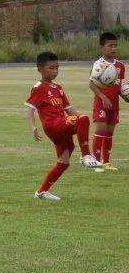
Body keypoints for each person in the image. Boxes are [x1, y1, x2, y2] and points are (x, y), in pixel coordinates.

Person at [27, 51, 101, 201]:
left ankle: (41, 192)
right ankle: (86, 155)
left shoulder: (58, 88)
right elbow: (30, 109)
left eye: (57, 68)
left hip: (61, 125)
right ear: (40, 69)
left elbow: (69, 108)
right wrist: (33, 127)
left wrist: (81, 120)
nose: (55, 71)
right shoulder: (39, 87)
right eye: (51, 68)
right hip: (53, 125)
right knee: (83, 119)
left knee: (63, 162)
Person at [89, 32, 125, 171]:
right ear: (102, 47)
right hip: (101, 103)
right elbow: (91, 84)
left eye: (115, 46)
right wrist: (103, 97)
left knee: (109, 132)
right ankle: (96, 162)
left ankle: (106, 162)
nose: (113, 48)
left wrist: (125, 96)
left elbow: (119, 86)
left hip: (114, 104)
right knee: (101, 130)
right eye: (110, 46)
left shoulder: (120, 66)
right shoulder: (98, 64)